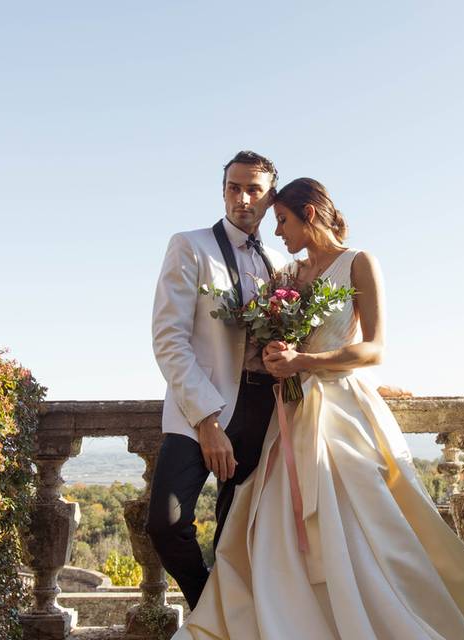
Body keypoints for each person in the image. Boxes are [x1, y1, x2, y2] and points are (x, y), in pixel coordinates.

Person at [173, 178, 464, 639]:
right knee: (274, 529)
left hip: (341, 415)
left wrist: (305, 361)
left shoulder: (359, 263)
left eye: (283, 221)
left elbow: (373, 348)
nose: (278, 233)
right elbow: (265, 345)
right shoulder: (288, 277)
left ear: (309, 214)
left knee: (362, 525)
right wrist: (277, 357)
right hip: (290, 416)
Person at [147, 150, 285, 610]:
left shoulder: (281, 261)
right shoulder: (190, 245)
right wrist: (207, 420)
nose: (242, 198)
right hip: (202, 407)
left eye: (254, 189)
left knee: (237, 534)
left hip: (266, 409)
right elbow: (168, 339)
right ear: (223, 190)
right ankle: (210, 611)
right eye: (233, 187)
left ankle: (230, 625)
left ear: (270, 199)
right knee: (166, 525)